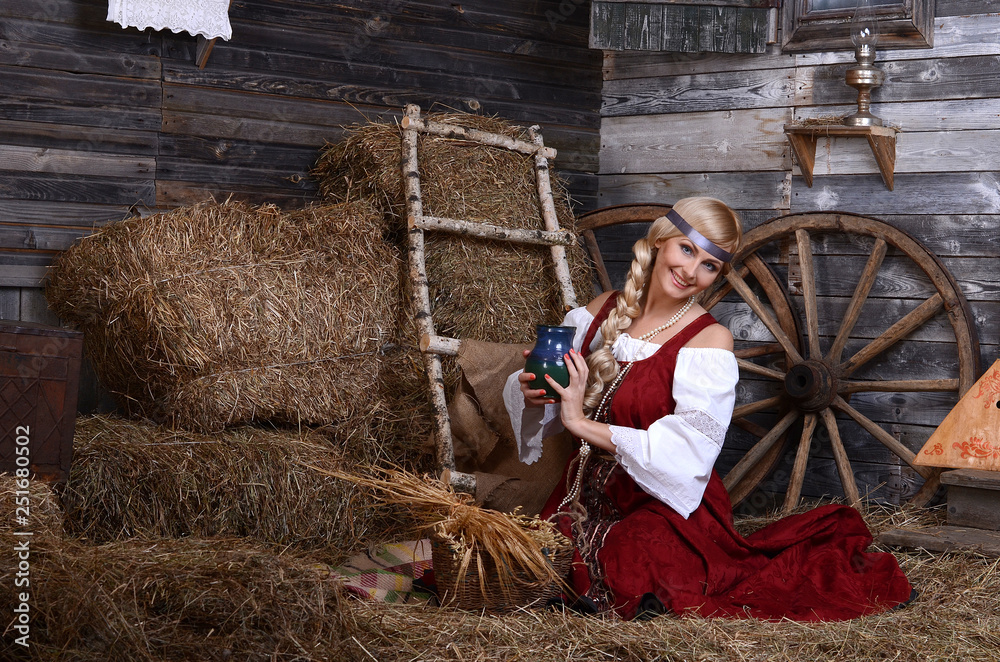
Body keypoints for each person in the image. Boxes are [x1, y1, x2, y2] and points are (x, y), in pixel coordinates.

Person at [503, 197, 913, 621]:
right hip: (582, 491)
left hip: (665, 501)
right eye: (686, 249)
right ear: (660, 241)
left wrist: (578, 422)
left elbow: (688, 452)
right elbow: (553, 399)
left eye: (710, 265)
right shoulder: (601, 311)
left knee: (633, 561)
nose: (691, 271)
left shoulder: (709, 340)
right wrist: (538, 392)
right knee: (526, 560)